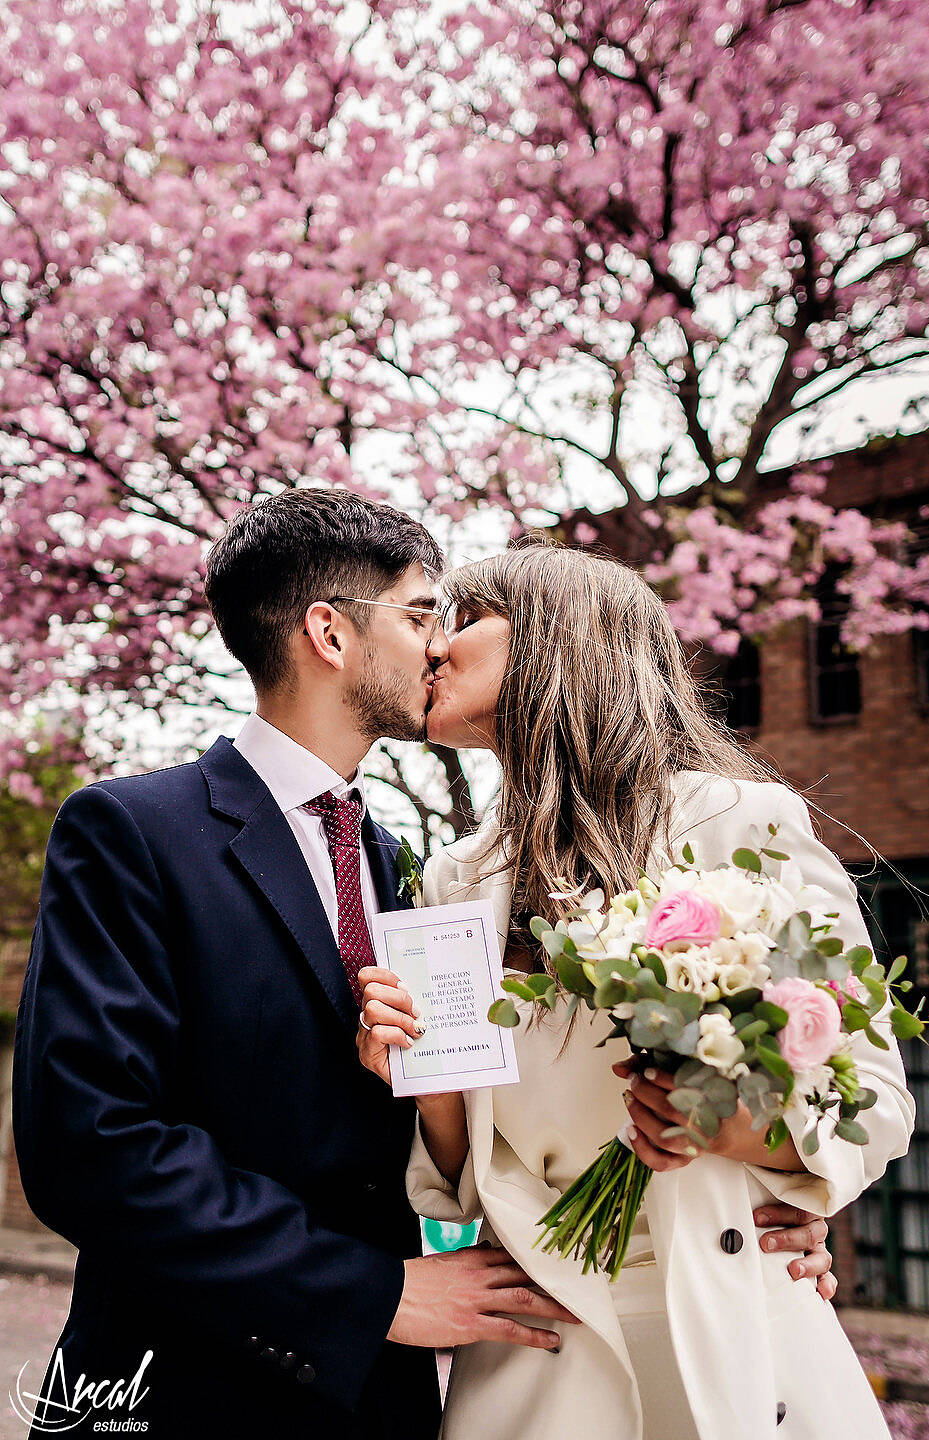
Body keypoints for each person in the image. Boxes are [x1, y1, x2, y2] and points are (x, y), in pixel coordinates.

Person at [12, 491, 581, 1440]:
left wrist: (721, 1200)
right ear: (330, 632)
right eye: (418, 613)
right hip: (180, 1395)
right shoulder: (131, 831)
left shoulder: (398, 860)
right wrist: (373, 1294)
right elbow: (93, 1145)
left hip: (376, 1407)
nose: (438, 645)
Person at [356, 543, 914, 1440]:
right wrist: (413, 1066)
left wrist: (734, 1132)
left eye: (464, 619)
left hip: (731, 1317)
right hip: (538, 1342)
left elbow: (873, 1098)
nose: (434, 649)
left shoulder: (740, 822)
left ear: (553, 639)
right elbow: (461, 1179)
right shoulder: (453, 877)